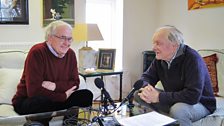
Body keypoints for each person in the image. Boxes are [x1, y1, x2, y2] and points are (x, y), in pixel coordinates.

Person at [12, 20, 93, 125]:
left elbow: (75, 83)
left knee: (85, 95)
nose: (67, 43)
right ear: (50, 38)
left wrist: (55, 86)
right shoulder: (37, 52)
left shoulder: (70, 54)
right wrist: (63, 96)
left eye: (69, 39)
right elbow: (34, 91)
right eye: (63, 38)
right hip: (27, 101)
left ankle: (69, 124)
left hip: (54, 99)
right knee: (42, 101)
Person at [134, 25, 216, 126]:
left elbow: (193, 95)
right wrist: (146, 89)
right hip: (175, 99)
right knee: (140, 94)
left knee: (178, 110)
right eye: (153, 43)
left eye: (158, 43)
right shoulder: (160, 59)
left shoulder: (192, 59)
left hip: (200, 102)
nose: (153, 48)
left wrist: (159, 97)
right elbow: (147, 77)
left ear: (175, 45)